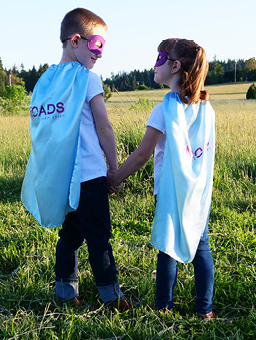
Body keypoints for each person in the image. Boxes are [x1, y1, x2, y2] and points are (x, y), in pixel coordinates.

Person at [21, 8, 130, 311]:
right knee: (99, 237)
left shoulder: (43, 83)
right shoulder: (87, 79)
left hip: (61, 177)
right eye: (97, 44)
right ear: (75, 40)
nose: (100, 53)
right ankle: (111, 297)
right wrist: (114, 167)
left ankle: (66, 294)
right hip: (91, 175)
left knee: (69, 235)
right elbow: (104, 127)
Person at [108, 38, 215, 319]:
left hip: (169, 191)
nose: (154, 65)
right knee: (201, 246)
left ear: (175, 66)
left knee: (168, 247)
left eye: (159, 59)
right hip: (198, 190)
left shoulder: (164, 109)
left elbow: (142, 154)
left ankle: (163, 308)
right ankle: (204, 310)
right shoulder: (206, 109)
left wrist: (115, 177)